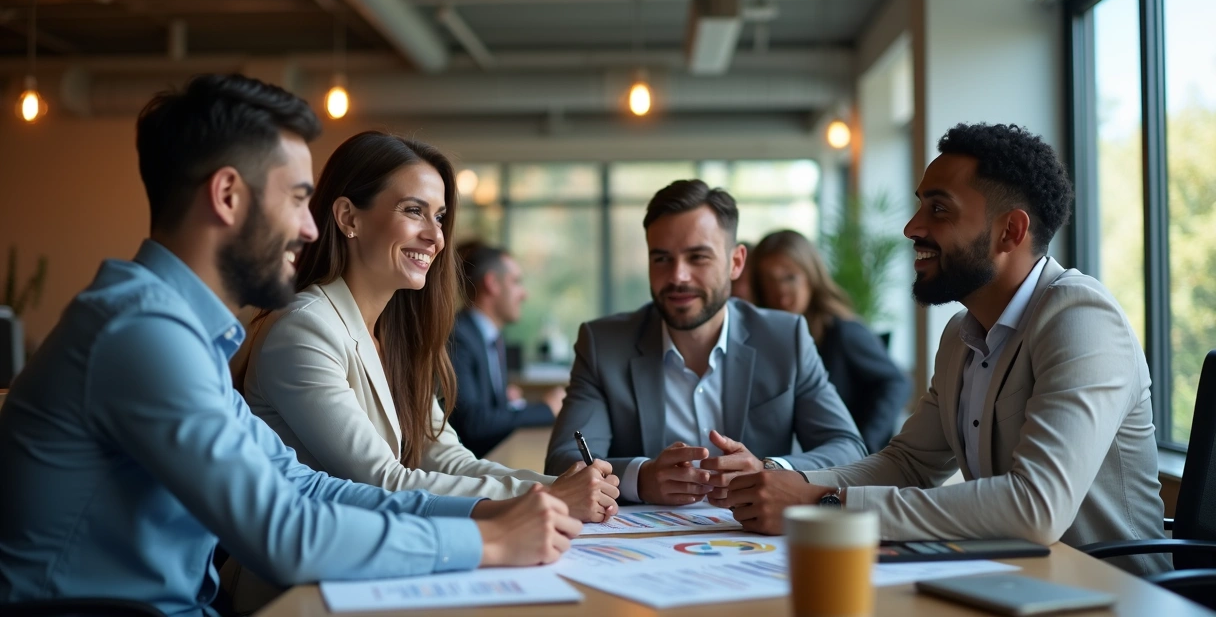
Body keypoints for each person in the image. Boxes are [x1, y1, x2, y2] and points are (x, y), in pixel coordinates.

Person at [0, 75, 580, 616]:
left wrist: (487, 512)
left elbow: (306, 485)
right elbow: (284, 533)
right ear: (228, 196)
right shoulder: (139, 332)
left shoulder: (180, 331)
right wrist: (487, 539)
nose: (310, 227)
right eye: (298, 198)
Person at [722, 123, 1169, 575]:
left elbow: (1036, 507)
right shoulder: (962, 334)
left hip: (1111, 593)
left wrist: (827, 503)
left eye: (939, 209)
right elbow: (909, 465)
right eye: (920, 206)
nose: (912, 227)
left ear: (1010, 231)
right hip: (1013, 582)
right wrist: (780, 480)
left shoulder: (1080, 318)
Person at [545, 180, 867, 506]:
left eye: (697, 257)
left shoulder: (785, 338)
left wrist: (769, 470)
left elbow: (847, 446)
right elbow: (563, 460)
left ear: (736, 263)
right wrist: (640, 479)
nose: (677, 276)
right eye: (661, 259)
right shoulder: (604, 344)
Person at [750, 230, 910, 453]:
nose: (780, 291)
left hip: (843, 463)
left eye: (790, 277)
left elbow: (896, 383)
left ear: (811, 276)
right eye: (769, 279)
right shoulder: (764, 337)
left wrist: (865, 448)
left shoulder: (843, 331)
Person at [449, 242, 564, 458]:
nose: (524, 294)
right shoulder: (457, 338)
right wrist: (546, 409)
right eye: (516, 282)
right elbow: (473, 423)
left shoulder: (491, 338)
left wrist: (506, 404)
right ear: (492, 283)